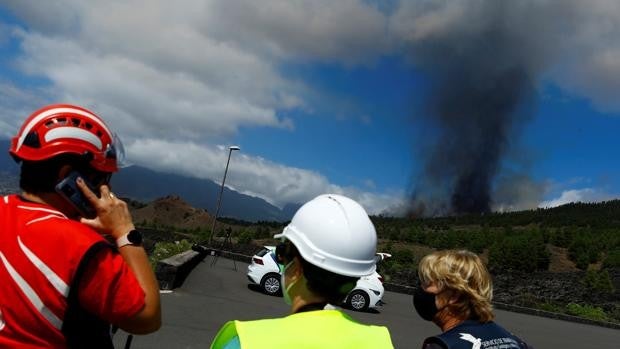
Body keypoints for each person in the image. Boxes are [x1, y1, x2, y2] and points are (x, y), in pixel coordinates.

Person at [0, 104, 161, 348]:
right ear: (71, 177)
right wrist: (124, 230)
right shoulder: (82, 248)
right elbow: (147, 318)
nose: (105, 188)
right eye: (102, 177)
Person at [211, 194, 394, 349]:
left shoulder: (246, 341)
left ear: (297, 268)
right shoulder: (381, 342)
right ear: (354, 278)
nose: (281, 259)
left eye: (282, 253)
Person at [413, 249, 532, 349]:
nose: (421, 288)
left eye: (427, 283)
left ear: (454, 295)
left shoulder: (444, 345)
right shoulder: (515, 341)